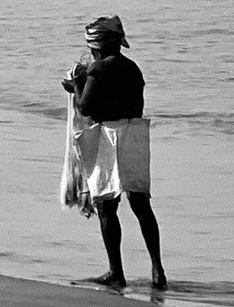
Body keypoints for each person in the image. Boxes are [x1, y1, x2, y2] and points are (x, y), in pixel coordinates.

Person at [61, 15, 167, 290]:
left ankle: (116, 273)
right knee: (141, 204)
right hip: (135, 134)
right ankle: (158, 270)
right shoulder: (132, 68)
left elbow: (85, 107)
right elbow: (137, 105)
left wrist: (75, 85)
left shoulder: (98, 70)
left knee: (107, 206)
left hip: (109, 136)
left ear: (97, 47)